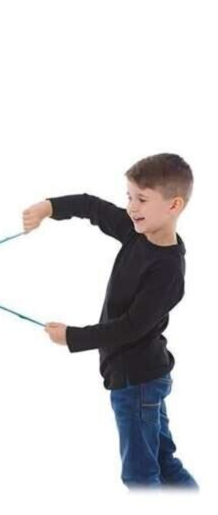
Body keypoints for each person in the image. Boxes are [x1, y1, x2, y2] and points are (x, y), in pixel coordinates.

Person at [23, 153, 198, 490]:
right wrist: (49, 207)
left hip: (137, 383)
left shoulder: (168, 271)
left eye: (142, 199)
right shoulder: (137, 232)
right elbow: (92, 207)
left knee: (140, 476)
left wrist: (72, 337)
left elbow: (131, 327)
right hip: (143, 378)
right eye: (129, 196)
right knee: (163, 462)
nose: (131, 207)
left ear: (174, 205)